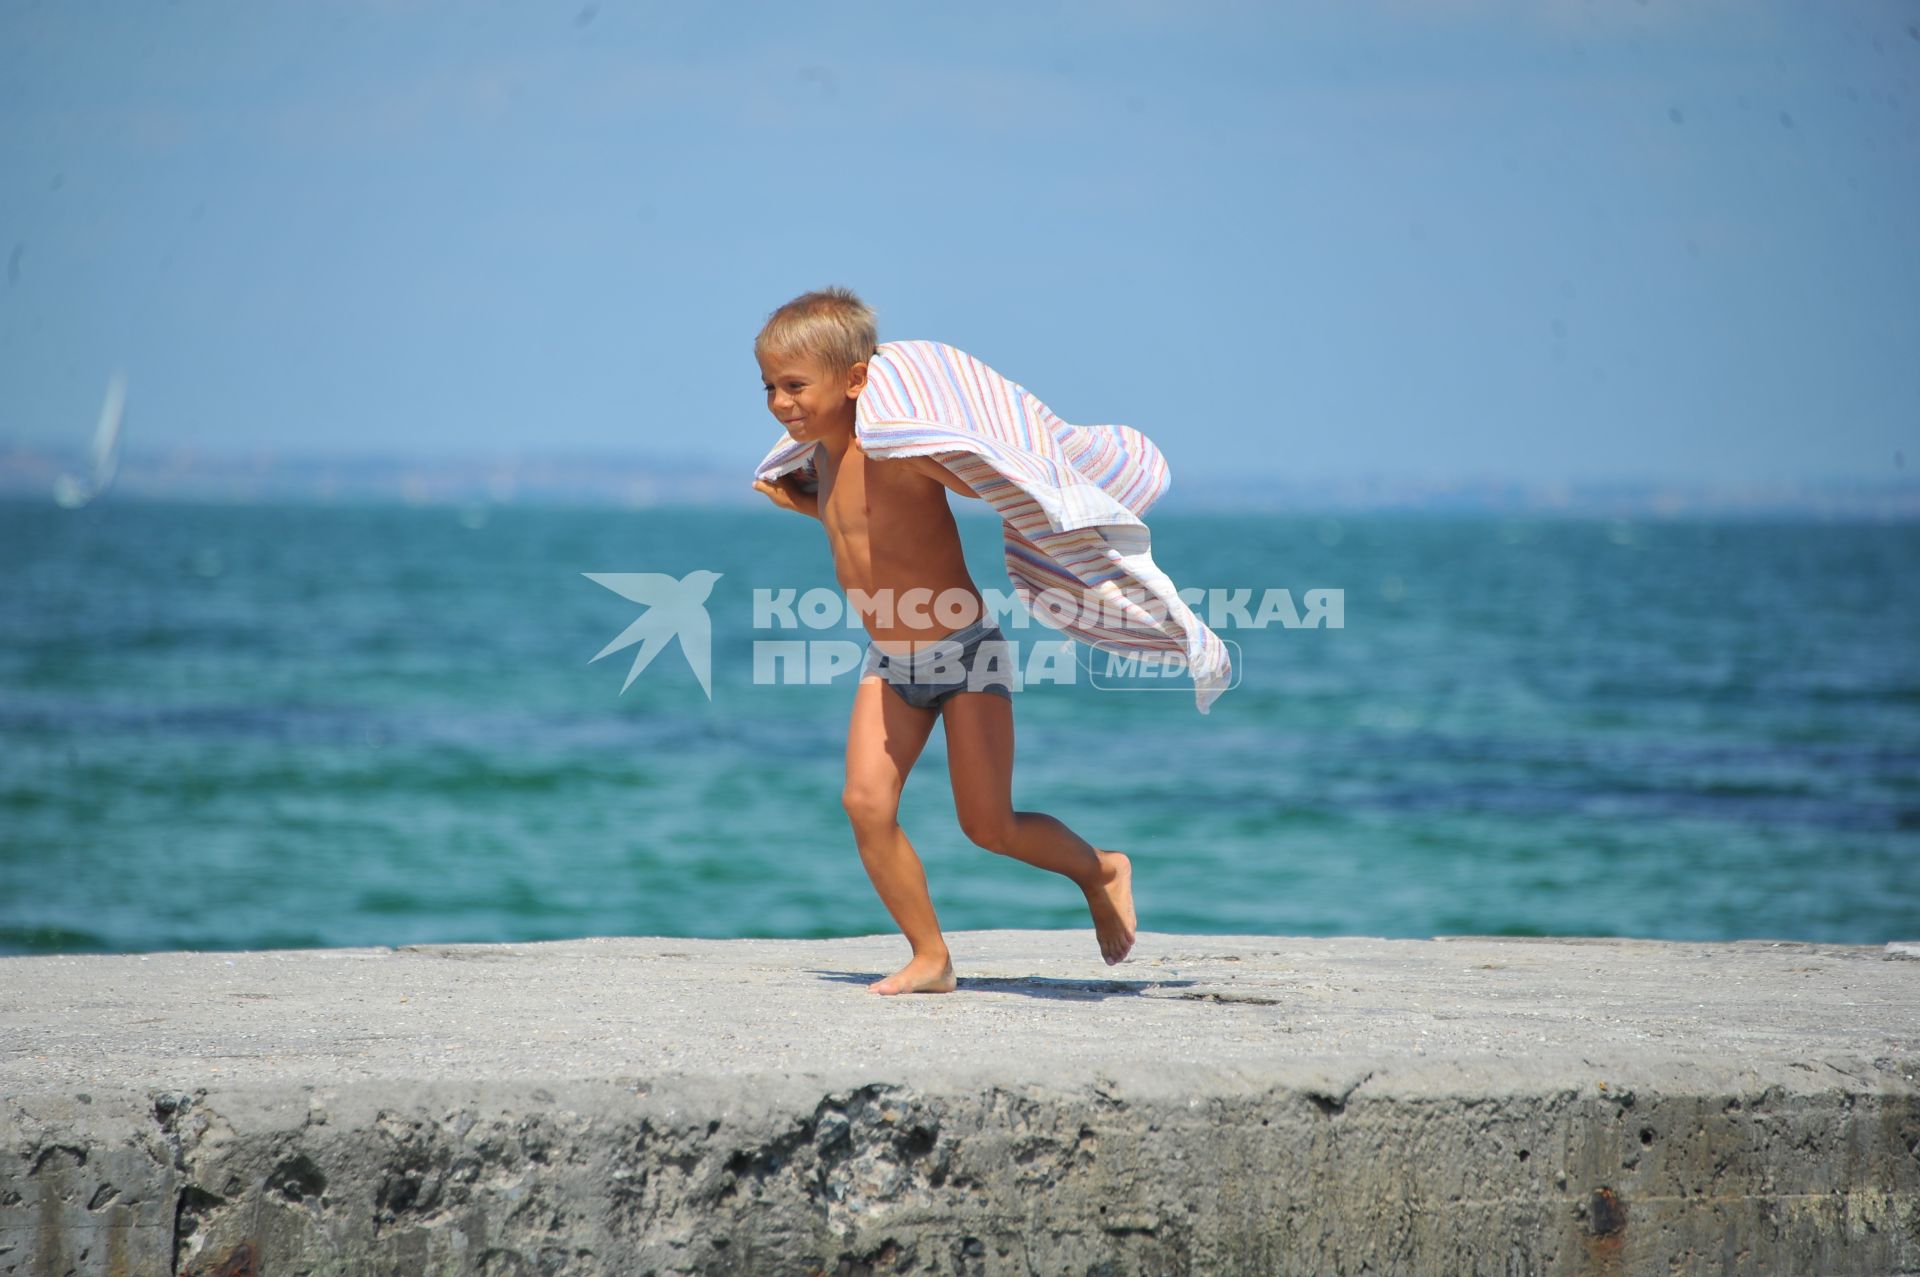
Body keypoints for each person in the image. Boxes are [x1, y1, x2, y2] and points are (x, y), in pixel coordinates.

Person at [750, 287, 1138, 995]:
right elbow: (868, 532)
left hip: (965, 653)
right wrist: (806, 502)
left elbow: (987, 478)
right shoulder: (823, 459)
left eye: (795, 385)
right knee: (865, 804)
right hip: (890, 661)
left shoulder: (898, 452)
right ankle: (931, 956)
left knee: (989, 825)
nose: (780, 401)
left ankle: (1101, 868)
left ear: (856, 380)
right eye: (770, 386)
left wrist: (1052, 497)